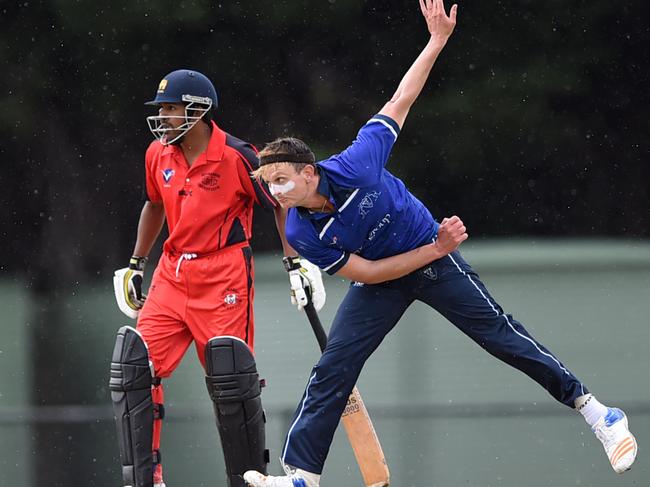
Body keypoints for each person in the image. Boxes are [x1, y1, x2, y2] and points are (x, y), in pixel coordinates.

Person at [242, 1, 638, 486]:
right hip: (391, 274)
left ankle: (597, 412)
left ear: (309, 172)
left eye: (281, 179)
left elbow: (401, 99)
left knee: (500, 337)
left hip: (434, 259)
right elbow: (366, 274)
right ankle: (302, 475)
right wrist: (433, 249)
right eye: (267, 183)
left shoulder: (358, 162)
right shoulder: (302, 230)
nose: (274, 191)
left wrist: (436, 41)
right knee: (335, 365)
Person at [109, 69, 323, 487]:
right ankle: (145, 478)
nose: (164, 117)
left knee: (230, 378)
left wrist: (295, 261)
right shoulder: (158, 153)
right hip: (171, 273)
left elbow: (279, 203)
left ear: (199, 110)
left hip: (224, 273)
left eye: (171, 109)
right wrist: (136, 263)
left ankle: (247, 479)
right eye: (162, 109)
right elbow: (154, 205)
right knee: (135, 366)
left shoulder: (238, 156)